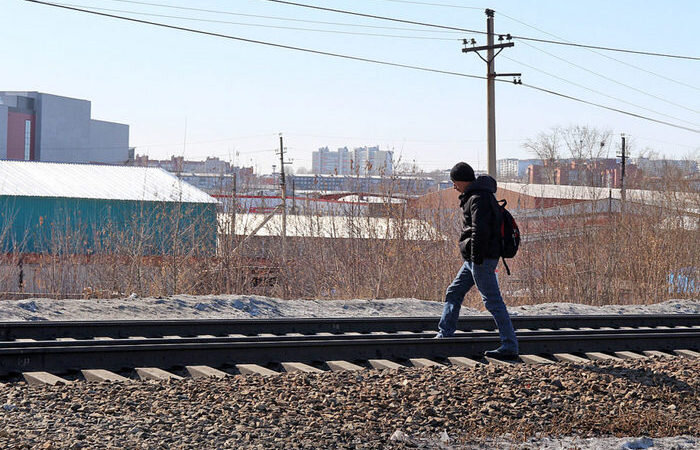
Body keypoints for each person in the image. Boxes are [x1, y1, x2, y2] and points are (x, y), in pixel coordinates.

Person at [435, 162, 519, 361]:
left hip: (480, 259)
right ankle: (444, 334)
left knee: (493, 302)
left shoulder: (478, 198)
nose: (454, 186)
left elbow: (479, 231)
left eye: (454, 182)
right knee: (454, 291)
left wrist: (475, 257)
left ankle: (509, 345)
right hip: (475, 258)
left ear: (462, 180)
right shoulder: (478, 195)